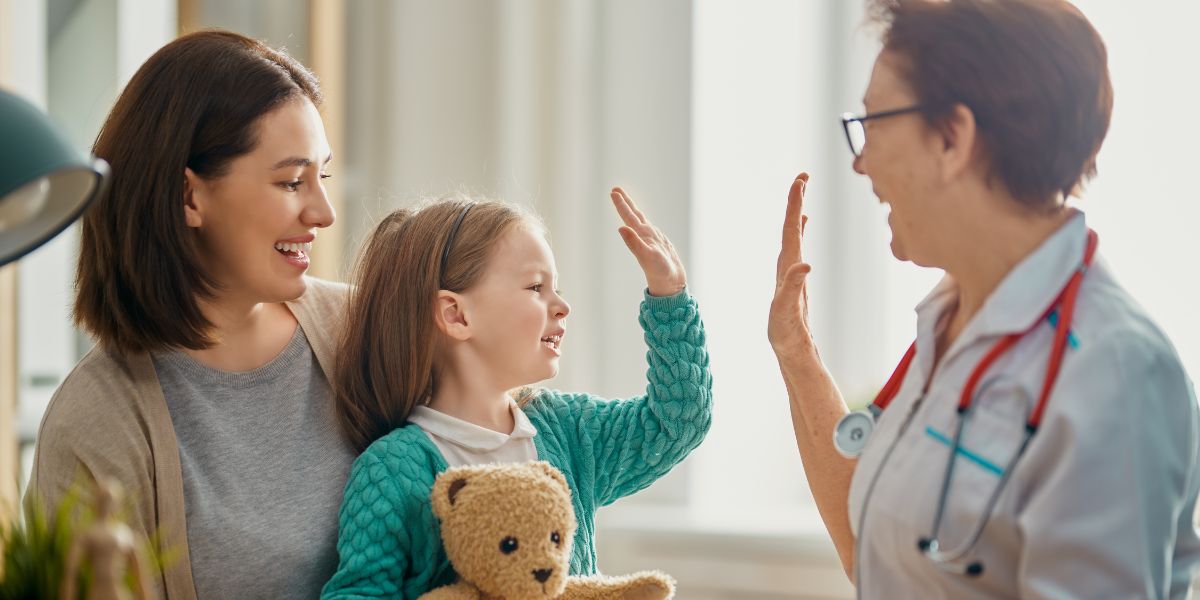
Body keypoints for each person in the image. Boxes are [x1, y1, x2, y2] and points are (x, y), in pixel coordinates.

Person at [768, 0, 1200, 597]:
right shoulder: (956, 321)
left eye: (874, 123)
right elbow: (876, 553)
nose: (861, 161)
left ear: (952, 137)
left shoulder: (1114, 372)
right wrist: (797, 352)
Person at [27, 30, 356, 599]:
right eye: (290, 181)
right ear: (189, 198)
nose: (322, 212)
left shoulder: (360, 329)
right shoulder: (95, 423)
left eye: (321, 176)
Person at [320, 191, 712, 598]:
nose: (562, 306)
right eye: (536, 287)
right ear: (456, 314)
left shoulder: (568, 431)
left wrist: (670, 297)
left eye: (555, 287)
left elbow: (679, 419)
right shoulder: (392, 471)